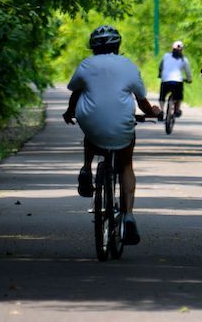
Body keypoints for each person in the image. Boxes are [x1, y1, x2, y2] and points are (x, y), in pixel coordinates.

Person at [63, 25, 162, 244]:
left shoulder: (86, 65)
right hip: (121, 126)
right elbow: (142, 102)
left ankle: (87, 169)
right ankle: (128, 216)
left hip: (91, 125)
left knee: (91, 130)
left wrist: (70, 112)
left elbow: (76, 92)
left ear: (93, 47)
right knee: (126, 164)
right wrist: (153, 111)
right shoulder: (128, 65)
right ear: (118, 45)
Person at [158, 40, 193, 117]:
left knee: (162, 96)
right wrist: (189, 80)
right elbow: (188, 72)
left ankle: (161, 110)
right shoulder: (184, 59)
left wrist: (160, 75)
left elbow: (161, 67)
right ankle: (177, 110)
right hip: (178, 81)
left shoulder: (166, 56)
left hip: (165, 80)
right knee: (179, 96)